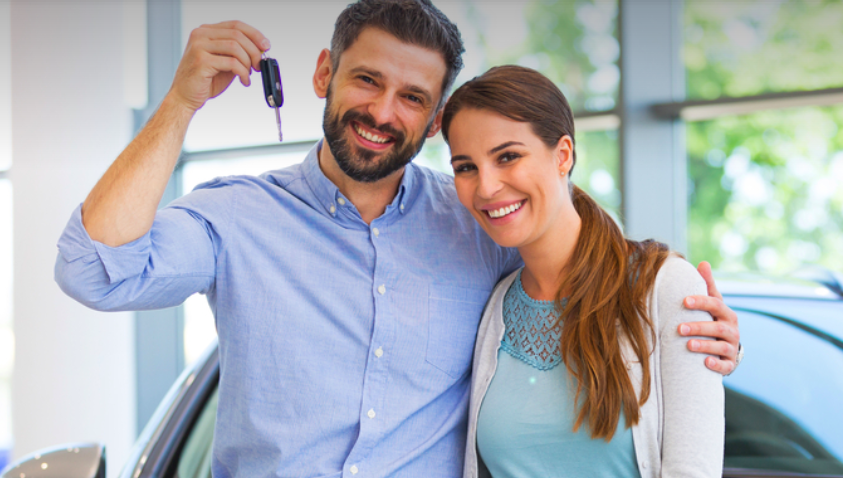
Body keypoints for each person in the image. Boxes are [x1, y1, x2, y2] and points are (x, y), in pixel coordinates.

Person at [54, 1, 739, 476]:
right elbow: (94, 270)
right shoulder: (237, 217)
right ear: (325, 74)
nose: (383, 112)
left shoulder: (475, 223)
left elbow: (581, 264)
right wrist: (179, 103)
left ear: (434, 116)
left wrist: (692, 321)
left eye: (411, 97)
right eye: (366, 80)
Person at [441, 65, 725, 478]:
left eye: (508, 156)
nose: (486, 187)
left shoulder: (664, 287)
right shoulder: (495, 306)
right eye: (466, 166)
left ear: (563, 155)